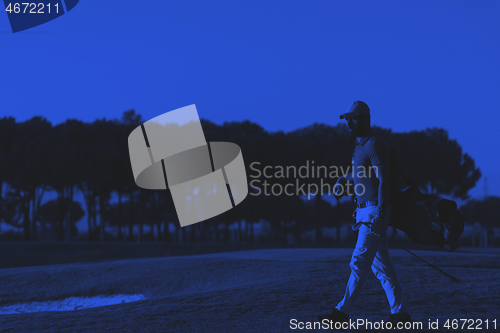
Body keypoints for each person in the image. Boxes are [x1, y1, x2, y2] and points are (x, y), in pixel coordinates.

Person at [317, 101, 412, 327]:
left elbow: (384, 180)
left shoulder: (375, 144)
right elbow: (360, 173)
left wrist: (380, 212)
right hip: (365, 211)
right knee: (381, 266)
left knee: (359, 261)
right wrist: (344, 179)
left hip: (374, 210)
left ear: (366, 118)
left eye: (353, 118)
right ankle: (401, 314)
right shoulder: (360, 146)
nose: (348, 123)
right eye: (346, 119)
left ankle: (341, 313)